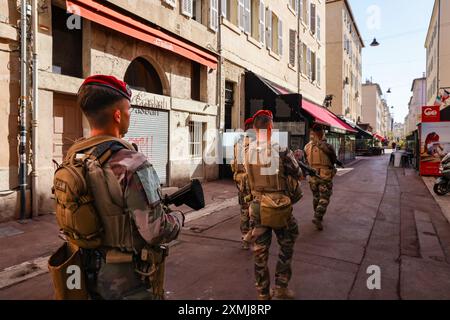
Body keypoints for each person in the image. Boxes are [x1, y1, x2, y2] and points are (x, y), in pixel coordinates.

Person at [59, 75, 184, 299]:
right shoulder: (132, 164)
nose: (129, 115)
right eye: (129, 110)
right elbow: (157, 231)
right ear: (118, 115)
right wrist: (178, 218)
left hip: (80, 272)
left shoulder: (73, 157)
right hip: (123, 281)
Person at [244, 110, 301, 300]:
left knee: (260, 252)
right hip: (278, 206)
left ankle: (262, 293)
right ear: (270, 127)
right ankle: (281, 287)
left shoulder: (246, 150)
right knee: (288, 240)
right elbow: (297, 172)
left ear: (254, 128)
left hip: (257, 206)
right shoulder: (280, 148)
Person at [304, 124, 337, 231]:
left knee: (316, 197)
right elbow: (333, 159)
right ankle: (317, 217)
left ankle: (317, 215)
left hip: (313, 176)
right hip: (324, 175)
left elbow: (306, 161)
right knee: (324, 197)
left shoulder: (307, 147)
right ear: (322, 132)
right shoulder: (327, 146)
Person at [231, 117, 254, 250]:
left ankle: (245, 236)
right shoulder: (254, 142)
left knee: (244, 209)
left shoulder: (238, 142)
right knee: (254, 210)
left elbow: (233, 162)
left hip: (240, 180)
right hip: (251, 180)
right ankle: (252, 236)